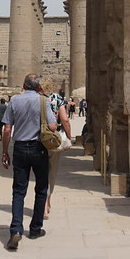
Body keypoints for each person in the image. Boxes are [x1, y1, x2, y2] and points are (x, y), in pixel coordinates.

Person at [1, 73, 57, 250]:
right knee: (41, 189)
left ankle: (16, 230)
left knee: (18, 191)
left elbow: (7, 129)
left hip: (19, 148)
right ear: (38, 87)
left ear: (23, 86)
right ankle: (35, 229)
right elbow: (53, 126)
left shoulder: (14, 101)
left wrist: (4, 152)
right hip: (38, 148)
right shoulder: (43, 101)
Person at [41, 85, 73, 220]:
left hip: (38, 139)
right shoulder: (57, 99)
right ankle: (46, 204)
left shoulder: (37, 99)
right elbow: (65, 119)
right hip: (53, 139)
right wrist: (69, 137)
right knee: (51, 173)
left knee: (41, 174)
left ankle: (44, 203)